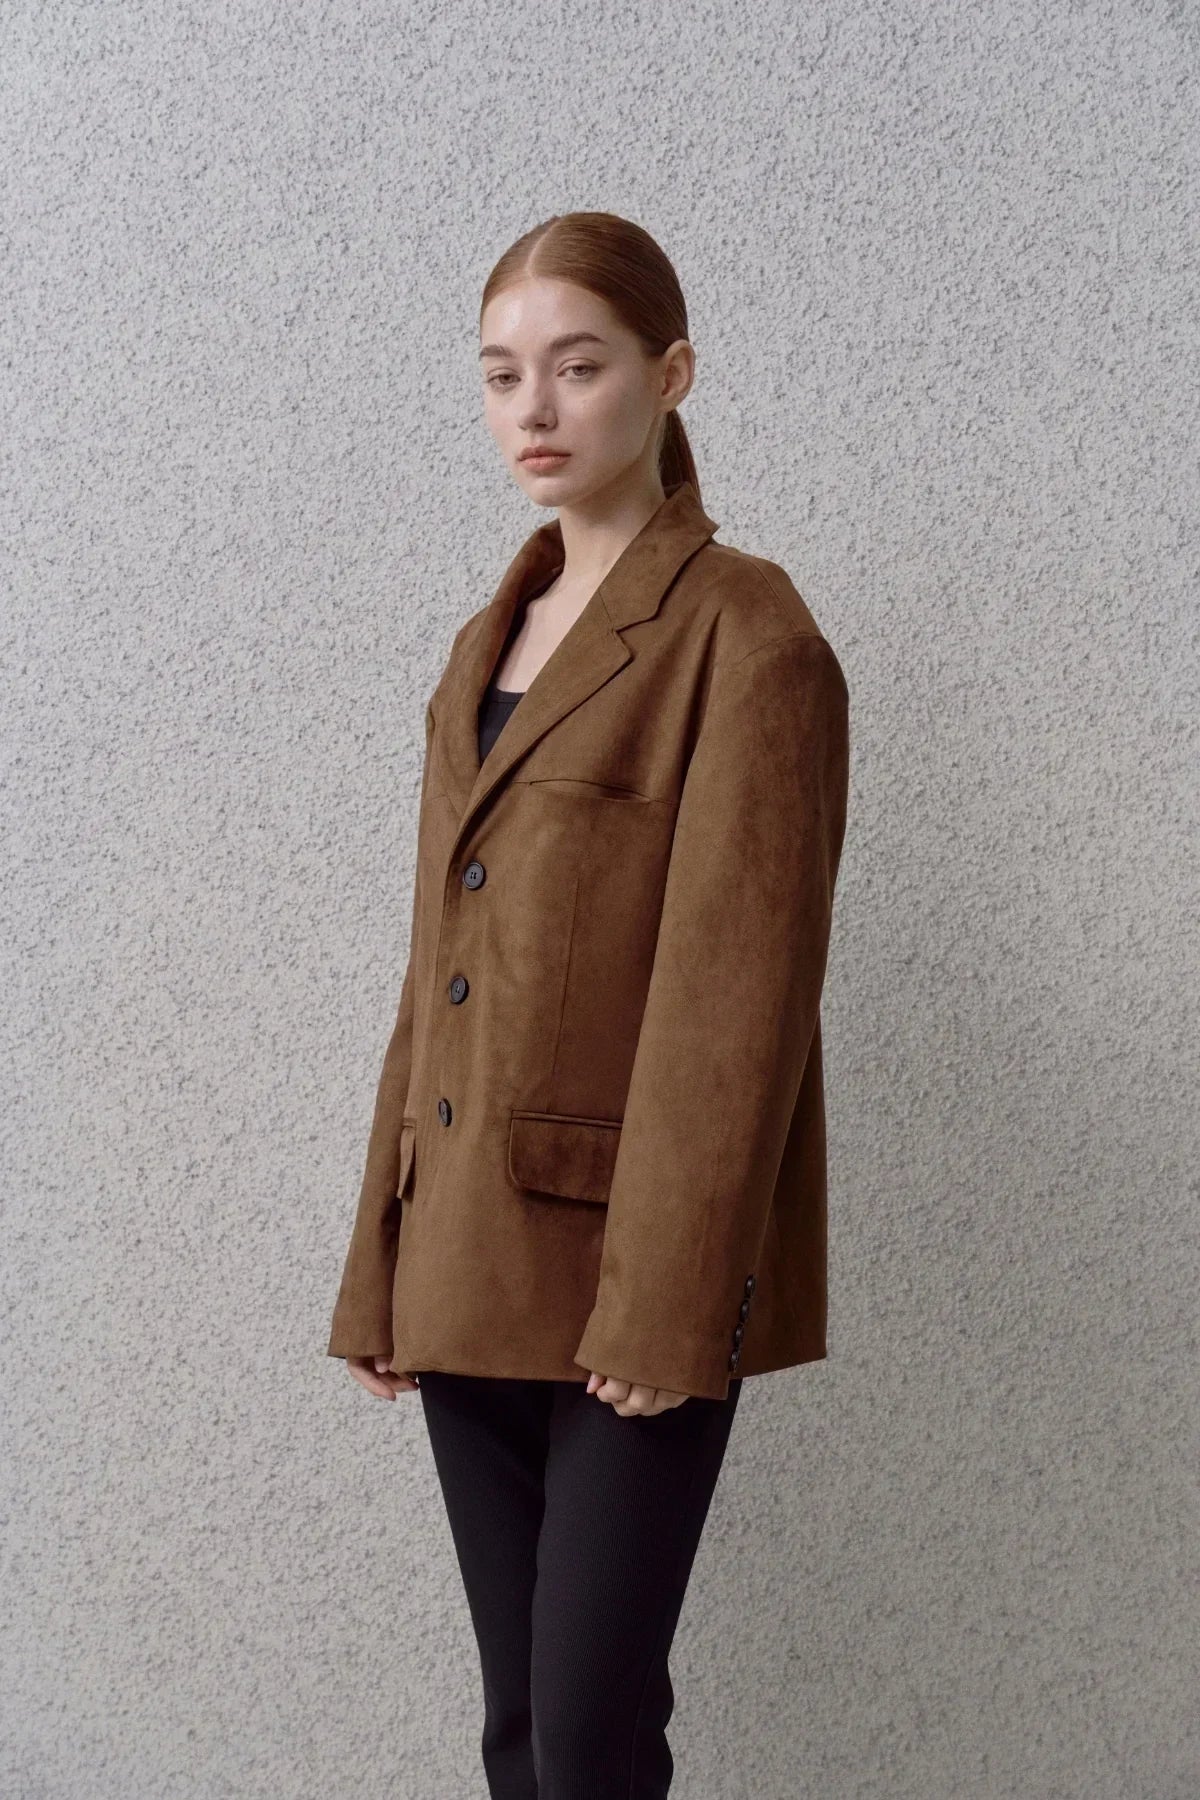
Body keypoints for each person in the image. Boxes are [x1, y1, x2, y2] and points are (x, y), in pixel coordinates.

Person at [326, 209, 851, 1798]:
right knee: (525, 1732)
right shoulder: (484, 645)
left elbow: (737, 1003)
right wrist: (381, 1255)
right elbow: (439, 973)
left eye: (578, 366)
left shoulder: (748, 637)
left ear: (670, 374)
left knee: (593, 1737)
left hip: (629, 1275)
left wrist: (672, 1298)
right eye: (501, 376)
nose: (534, 411)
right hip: (469, 1241)